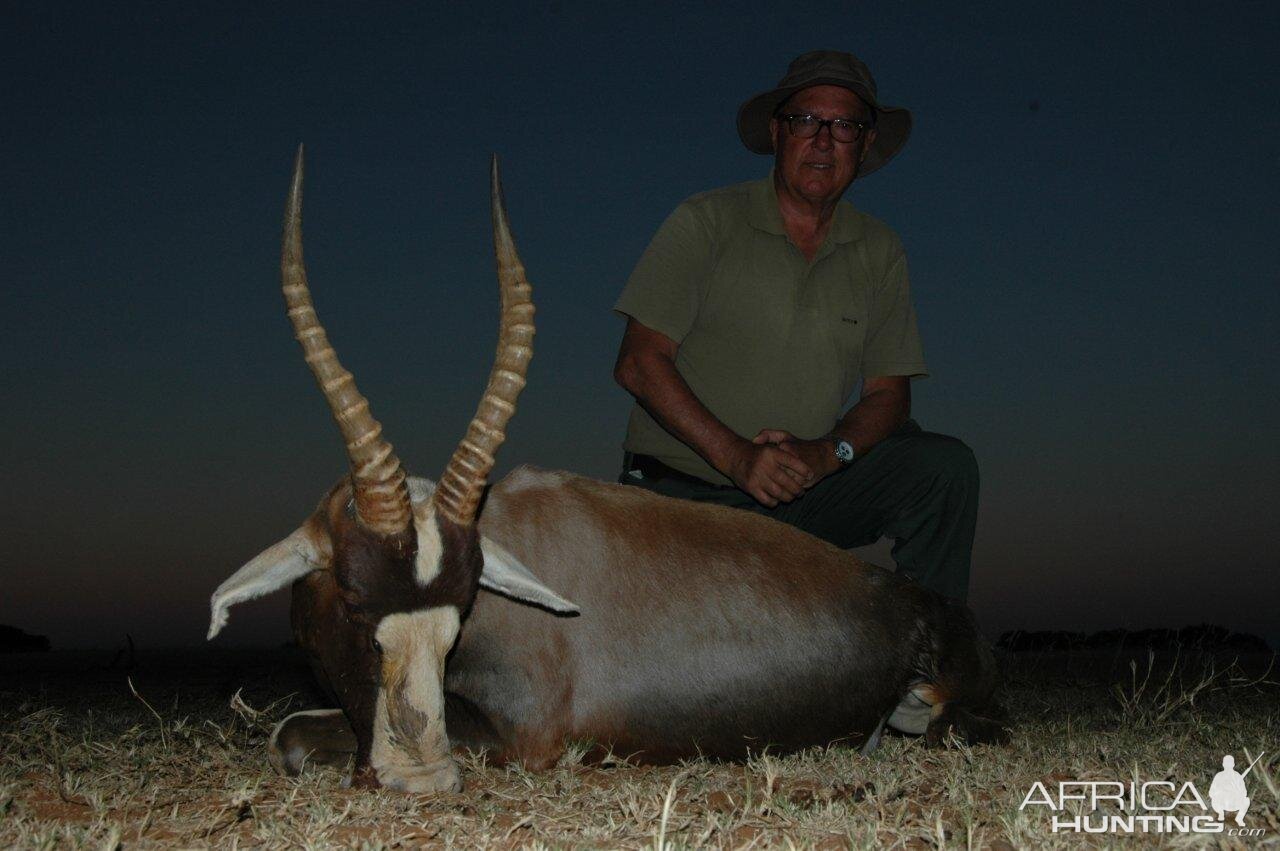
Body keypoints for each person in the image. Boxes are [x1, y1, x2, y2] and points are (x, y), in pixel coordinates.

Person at [612, 50, 978, 601]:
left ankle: (934, 664)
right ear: (777, 132)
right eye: (806, 120)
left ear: (866, 145)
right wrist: (736, 456)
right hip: (684, 495)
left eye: (846, 126)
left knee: (943, 467)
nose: (824, 140)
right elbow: (639, 362)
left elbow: (888, 394)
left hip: (806, 494)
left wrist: (829, 453)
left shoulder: (880, 249)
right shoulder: (706, 220)